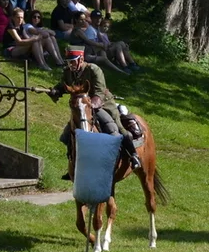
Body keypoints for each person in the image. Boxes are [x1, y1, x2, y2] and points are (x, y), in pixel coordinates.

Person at [48, 50, 141, 179]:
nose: (71, 65)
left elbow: (99, 92)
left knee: (116, 129)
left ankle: (133, 156)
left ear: (81, 59)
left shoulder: (94, 69)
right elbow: (64, 86)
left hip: (102, 104)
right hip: (83, 107)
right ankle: (73, 166)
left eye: (73, 61)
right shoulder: (68, 71)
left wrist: (92, 105)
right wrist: (55, 91)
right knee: (66, 135)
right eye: (69, 62)